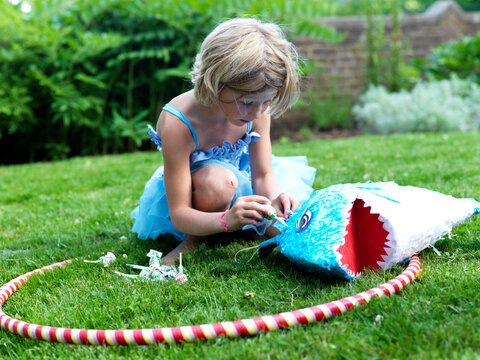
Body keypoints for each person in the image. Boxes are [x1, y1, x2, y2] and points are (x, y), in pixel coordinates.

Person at [131, 18, 316, 265]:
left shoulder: (257, 111)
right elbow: (179, 213)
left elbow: (262, 175)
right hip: (200, 191)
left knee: (286, 228)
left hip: (244, 179)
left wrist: (275, 198)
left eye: (267, 101)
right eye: (248, 102)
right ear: (216, 83)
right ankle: (195, 240)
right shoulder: (179, 122)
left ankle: (249, 225)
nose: (257, 113)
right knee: (220, 183)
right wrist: (226, 220)